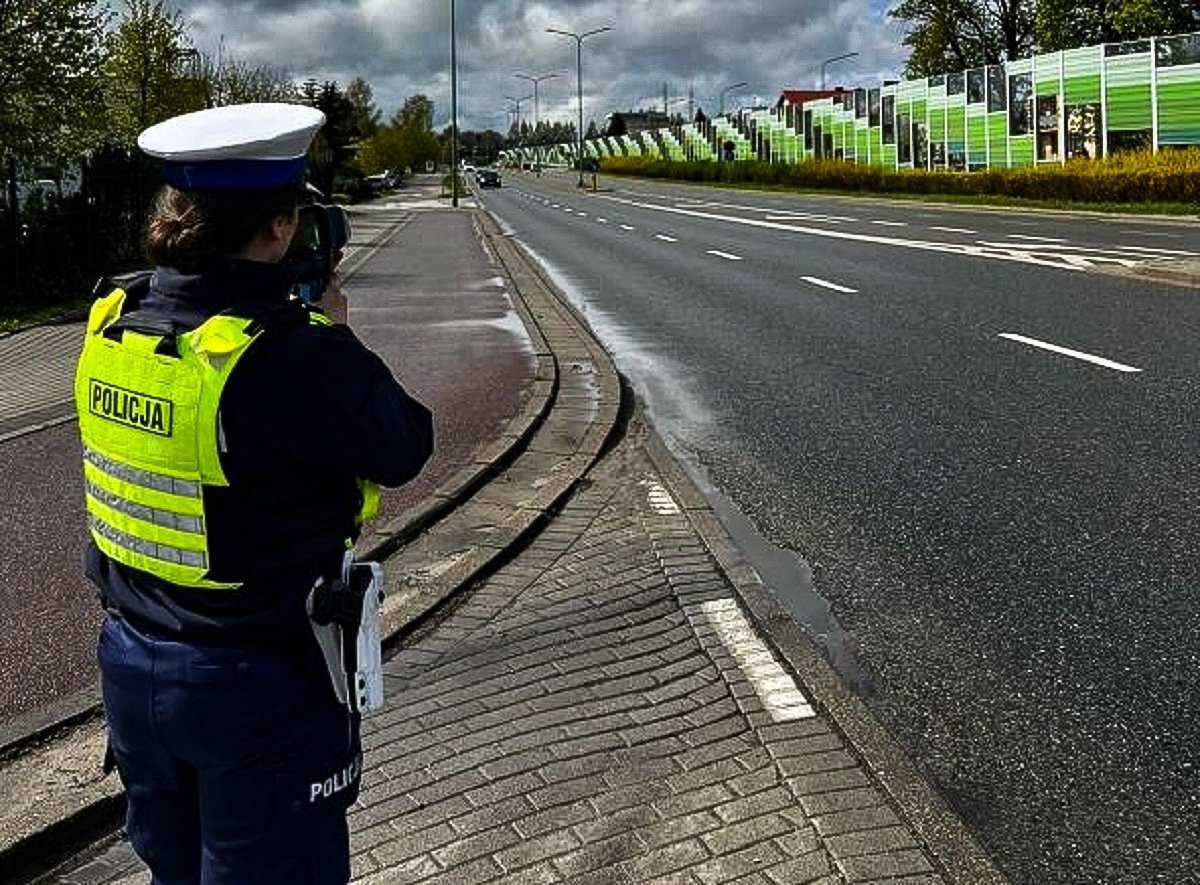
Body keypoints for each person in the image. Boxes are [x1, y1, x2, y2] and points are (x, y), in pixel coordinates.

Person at [73, 103, 433, 884]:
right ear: (276, 229)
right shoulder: (291, 355)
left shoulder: (112, 321)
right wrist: (335, 331)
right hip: (256, 688)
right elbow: (406, 444)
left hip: (131, 667)